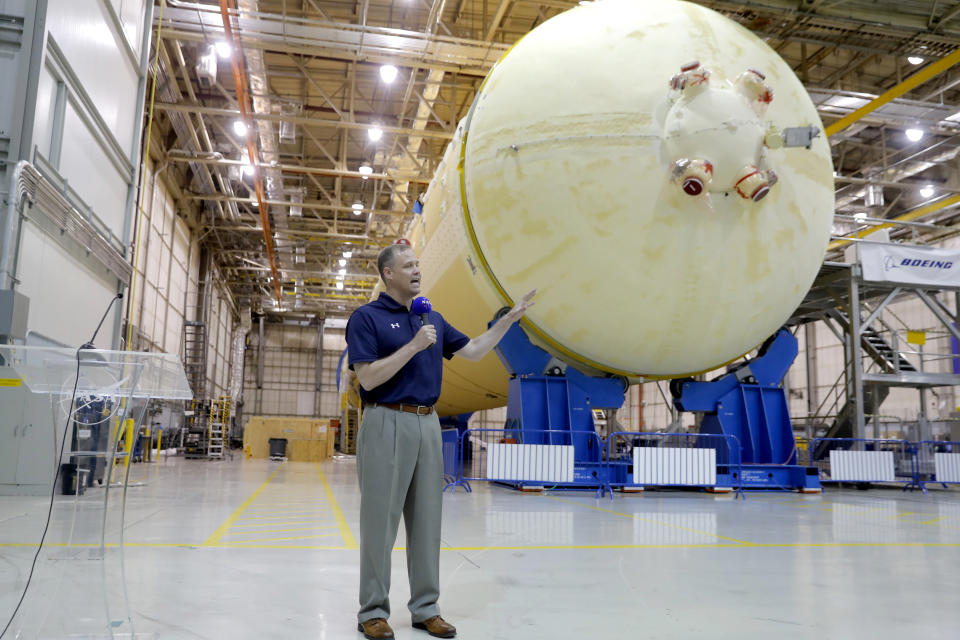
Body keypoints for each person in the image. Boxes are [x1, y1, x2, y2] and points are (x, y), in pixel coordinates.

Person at [346, 242, 535, 640]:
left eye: (418, 265)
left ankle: (426, 608)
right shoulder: (367, 318)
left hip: (427, 425)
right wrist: (414, 347)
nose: (417, 270)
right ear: (388, 274)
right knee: (380, 524)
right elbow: (367, 379)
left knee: (428, 522)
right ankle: (373, 611)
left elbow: (476, 350)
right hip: (385, 420)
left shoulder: (431, 316)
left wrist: (510, 320)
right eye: (408, 266)